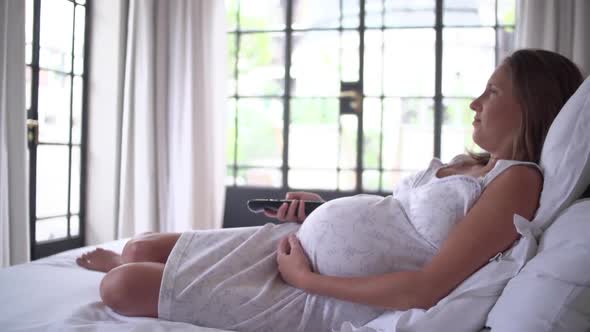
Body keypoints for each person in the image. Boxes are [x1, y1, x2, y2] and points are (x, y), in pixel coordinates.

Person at [77, 49, 584, 332]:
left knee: (119, 289)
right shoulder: (466, 165)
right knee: (140, 246)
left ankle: (128, 269)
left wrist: (306, 279)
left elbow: (426, 288)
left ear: (531, 104)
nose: (475, 101)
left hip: (316, 295)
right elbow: (394, 221)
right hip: (294, 249)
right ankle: (130, 258)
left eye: (492, 91)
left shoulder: (517, 180)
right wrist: (319, 214)